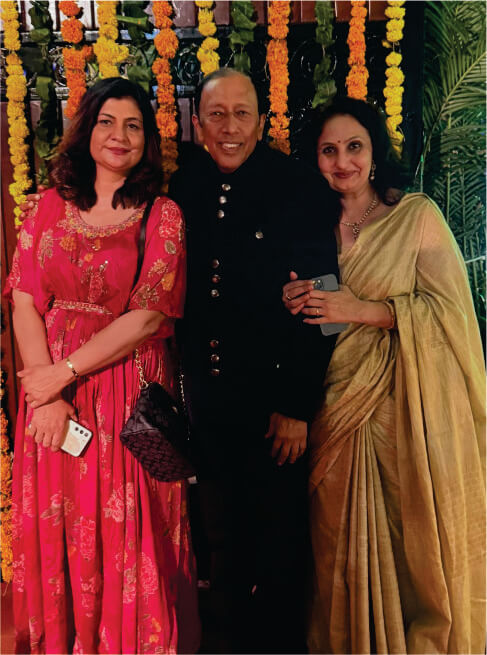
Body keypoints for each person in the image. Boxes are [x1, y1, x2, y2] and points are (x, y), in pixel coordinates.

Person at [282, 97, 486, 654]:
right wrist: (293, 298)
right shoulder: (308, 224)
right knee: (333, 543)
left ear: (375, 153)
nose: (342, 161)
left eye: (354, 147)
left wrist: (364, 310)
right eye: (328, 150)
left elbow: (451, 315)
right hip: (333, 406)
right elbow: (301, 322)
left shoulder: (414, 217)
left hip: (400, 410)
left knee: (402, 534)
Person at [4, 78, 200, 654]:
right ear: (86, 130)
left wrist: (61, 375)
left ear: (147, 140)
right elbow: (23, 299)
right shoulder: (45, 206)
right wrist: (47, 392)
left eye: (133, 125)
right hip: (51, 396)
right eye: (107, 122)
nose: (120, 135)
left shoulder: (161, 215)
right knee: (62, 520)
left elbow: (148, 316)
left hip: (126, 394)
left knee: (129, 525)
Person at [168, 68, 339, 653]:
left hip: (274, 410)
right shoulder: (185, 185)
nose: (230, 128)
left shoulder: (297, 186)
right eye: (217, 115)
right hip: (210, 408)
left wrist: (296, 406)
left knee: (281, 552)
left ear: (262, 122)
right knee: (220, 549)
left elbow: (323, 304)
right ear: (198, 123)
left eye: (242, 114)